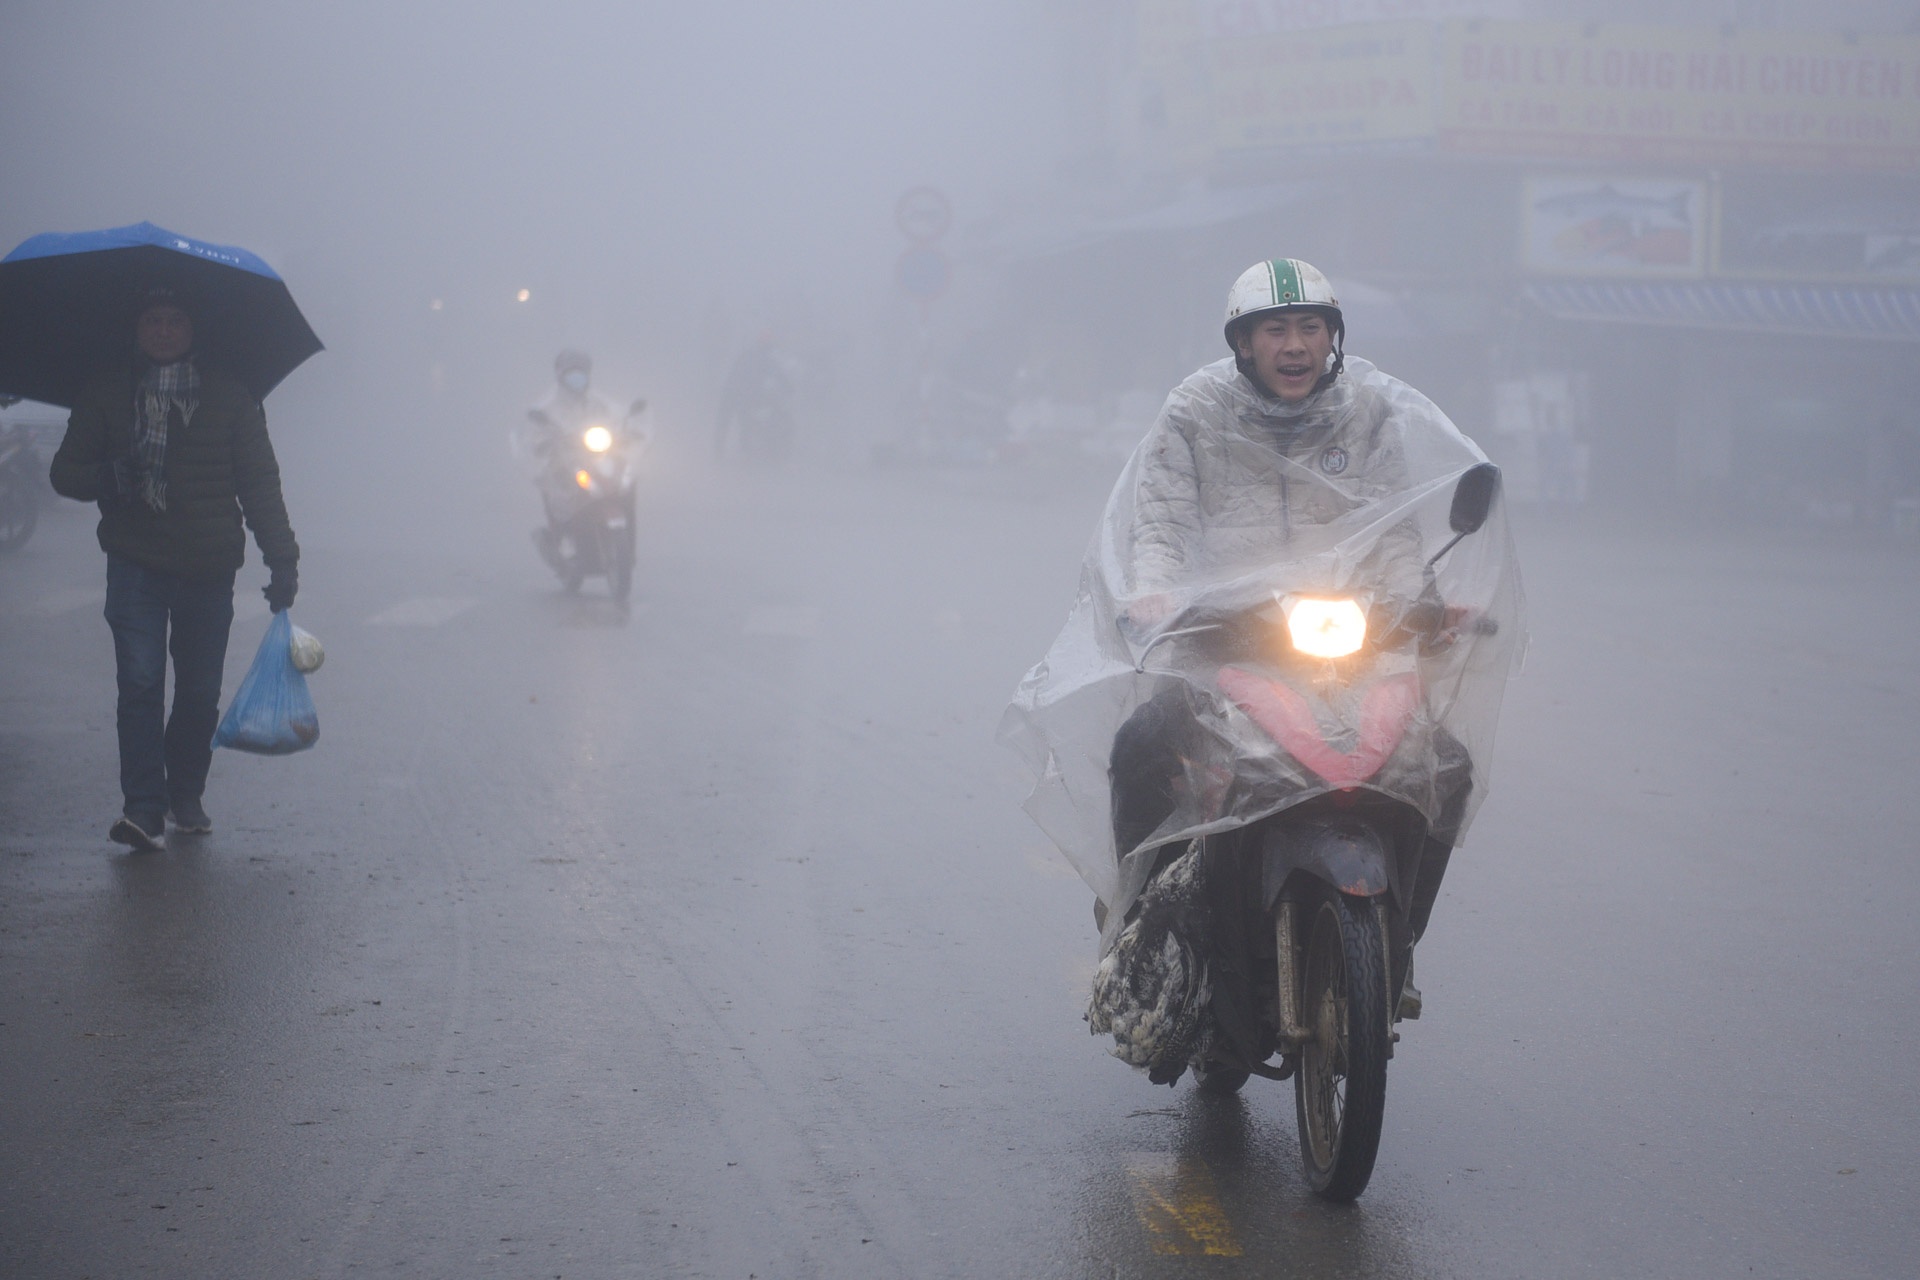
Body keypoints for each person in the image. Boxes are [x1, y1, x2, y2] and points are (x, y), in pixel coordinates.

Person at [49, 285, 299, 851]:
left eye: (175, 321)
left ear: (193, 330)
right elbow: (65, 472)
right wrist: (105, 477)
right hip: (135, 563)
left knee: (199, 691)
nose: (163, 331)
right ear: (136, 329)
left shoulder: (231, 396)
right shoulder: (108, 391)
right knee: (139, 684)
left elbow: (260, 484)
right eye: (153, 320)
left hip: (208, 568)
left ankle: (185, 790)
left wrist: (282, 558)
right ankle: (143, 807)